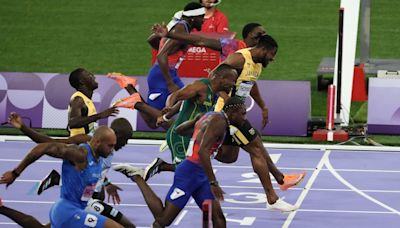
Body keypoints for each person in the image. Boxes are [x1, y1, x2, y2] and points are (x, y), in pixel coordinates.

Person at [112, 97, 247, 228]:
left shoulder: (207, 115)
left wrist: (197, 132)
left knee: (218, 218)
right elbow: (202, 152)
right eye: (242, 114)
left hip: (200, 173)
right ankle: (138, 178)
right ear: (232, 112)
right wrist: (213, 182)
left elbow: (179, 130)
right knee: (163, 220)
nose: (244, 118)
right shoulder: (219, 122)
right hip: (190, 172)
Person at [4, 112, 135, 227]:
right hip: (70, 210)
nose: (124, 144)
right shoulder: (81, 153)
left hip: (79, 206)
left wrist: (107, 184)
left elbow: (96, 172)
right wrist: (16, 172)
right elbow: (46, 145)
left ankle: (2, 209)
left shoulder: (101, 155)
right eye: (110, 145)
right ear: (97, 142)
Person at [146, 2, 205, 110]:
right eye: (202, 17)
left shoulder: (181, 28)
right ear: (193, 18)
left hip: (167, 73)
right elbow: (161, 55)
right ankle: (136, 102)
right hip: (162, 76)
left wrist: (162, 47)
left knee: (188, 101)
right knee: (155, 119)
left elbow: (151, 40)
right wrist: (170, 83)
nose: (203, 20)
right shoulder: (180, 29)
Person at [152, 22, 266, 61]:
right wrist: (169, 34)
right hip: (223, 92)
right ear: (250, 34)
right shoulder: (233, 45)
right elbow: (201, 41)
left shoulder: (258, 54)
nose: (264, 35)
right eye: (261, 33)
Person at [68, 68, 119, 136]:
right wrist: (100, 115)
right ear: (82, 81)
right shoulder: (78, 99)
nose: (93, 76)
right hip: (78, 144)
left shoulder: (86, 99)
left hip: (85, 143)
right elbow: (72, 123)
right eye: (89, 75)